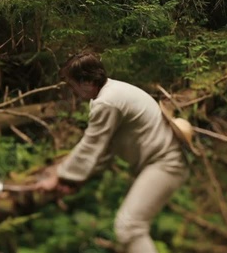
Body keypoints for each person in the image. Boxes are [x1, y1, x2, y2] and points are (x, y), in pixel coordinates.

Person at [35, 52, 189, 253]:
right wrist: (72, 180)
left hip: (166, 164)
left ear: (87, 81)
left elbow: (91, 145)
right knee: (128, 231)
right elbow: (104, 151)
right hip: (163, 164)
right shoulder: (108, 95)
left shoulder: (107, 102)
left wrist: (59, 176)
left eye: (72, 86)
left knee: (129, 228)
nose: (72, 92)